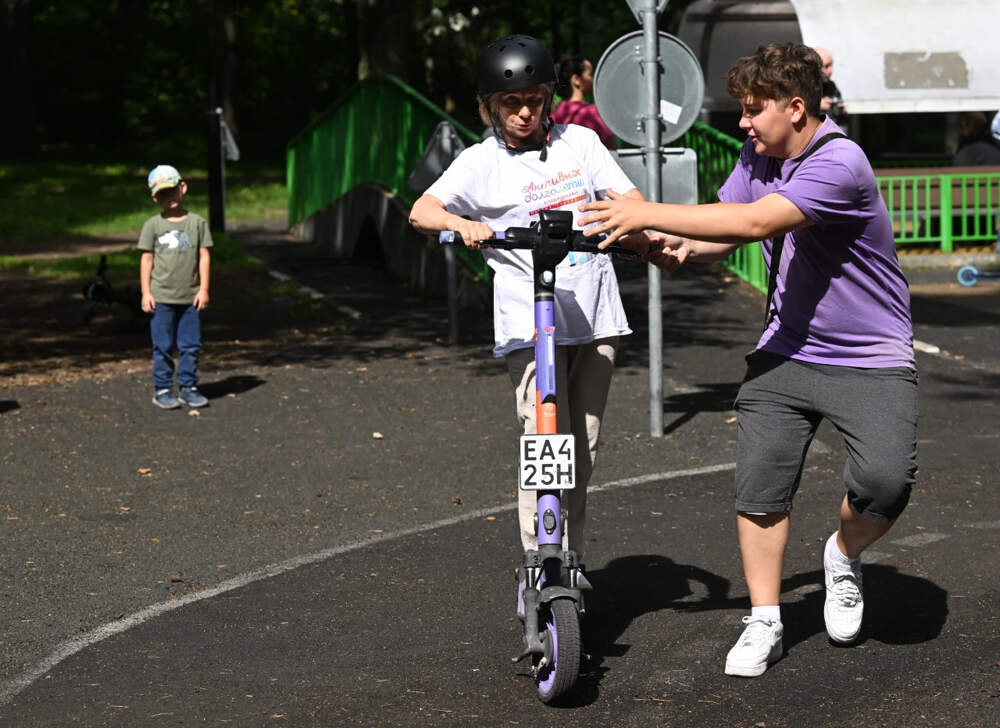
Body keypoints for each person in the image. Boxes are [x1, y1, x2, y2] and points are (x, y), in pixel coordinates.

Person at [579, 42, 918, 677]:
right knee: (762, 486)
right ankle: (765, 618)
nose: (742, 122)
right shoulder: (758, 154)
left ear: (796, 108)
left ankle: (843, 556)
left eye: (753, 109)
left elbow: (758, 223)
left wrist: (641, 209)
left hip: (868, 355)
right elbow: (727, 223)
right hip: (783, 350)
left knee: (885, 484)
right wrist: (677, 245)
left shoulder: (840, 161)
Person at [408, 34, 640, 602]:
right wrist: (461, 224)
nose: (523, 112)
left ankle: (570, 557)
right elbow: (421, 210)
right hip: (529, 322)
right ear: (489, 106)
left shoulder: (579, 143)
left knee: (582, 448)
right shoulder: (479, 162)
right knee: (544, 443)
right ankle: (539, 561)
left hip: (594, 316)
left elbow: (629, 199)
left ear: (548, 99)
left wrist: (629, 222)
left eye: (534, 100)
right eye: (510, 103)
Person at [138, 165, 213, 409]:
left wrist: (203, 289)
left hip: (190, 297)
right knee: (162, 346)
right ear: (155, 198)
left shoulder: (198, 223)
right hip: (161, 297)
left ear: (183, 187)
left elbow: (204, 257)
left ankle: (188, 387)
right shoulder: (153, 225)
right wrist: (146, 292)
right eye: (162, 193)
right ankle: (162, 389)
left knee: (191, 345)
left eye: (172, 189)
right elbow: (147, 259)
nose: (169, 196)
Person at [550, 55, 618, 149]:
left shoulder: (555, 112)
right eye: (590, 74)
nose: (593, 79)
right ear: (576, 79)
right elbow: (611, 148)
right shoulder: (592, 112)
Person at [815, 47, 848, 134]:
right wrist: (816, 105)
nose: (831, 71)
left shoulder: (831, 86)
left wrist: (840, 110)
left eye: (831, 65)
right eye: (826, 66)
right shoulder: (802, 87)